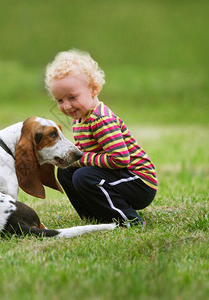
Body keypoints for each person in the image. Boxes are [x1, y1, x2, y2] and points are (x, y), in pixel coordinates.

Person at [44, 49, 158, 227]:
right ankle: (96, 217)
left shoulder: (100, 120)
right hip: (118, 176)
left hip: (139, 182)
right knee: (66, 171)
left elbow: (120, 158)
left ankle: (129, 220)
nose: (66, 106)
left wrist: (81, 159)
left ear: (93, 89)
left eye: (72, 97)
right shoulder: (80, 118)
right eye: (59, 101)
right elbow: (87, 150)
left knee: (83, 175)